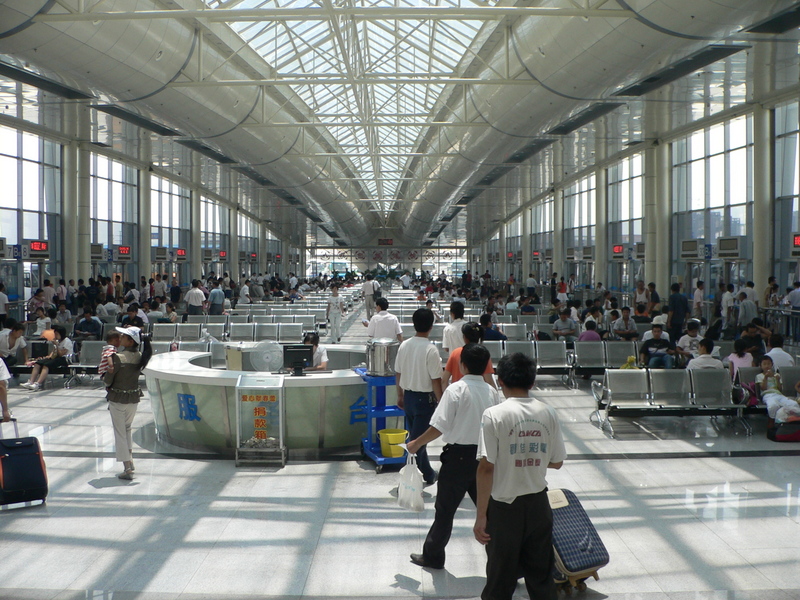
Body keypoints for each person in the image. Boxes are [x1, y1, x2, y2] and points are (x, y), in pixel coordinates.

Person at [473, 352, 566, 600]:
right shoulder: (548, 413)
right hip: (538, 505)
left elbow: (486, 468)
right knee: (541, 577)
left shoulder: (494, 415)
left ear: (500, 380)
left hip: (505, 509)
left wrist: (481, 515)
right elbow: (557, 462)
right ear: (532, 382)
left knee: (500, 579)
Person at [407, 343, 500, 570]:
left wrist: (416, 444)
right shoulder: (492, 392)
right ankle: (503, 563)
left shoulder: (455, 390)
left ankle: (433, 557)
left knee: (445, 511)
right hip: (485, 460)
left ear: (462, 364)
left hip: (457, 458)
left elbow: (439, 426)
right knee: (490, 513)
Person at [394, 308, 443, 486]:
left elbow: (398, 372)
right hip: (425, 401)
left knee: (417, 439)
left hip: (409, 398)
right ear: (431, 326)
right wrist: (441, 401)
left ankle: (428, 474)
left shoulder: (404, 345)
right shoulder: (430, 349)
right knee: (416, 443)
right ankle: (408, 479)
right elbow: (435, 380)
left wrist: (400, 395)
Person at [104, 326, 151, 480]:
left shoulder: (118, 357)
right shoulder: (140, 356)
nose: (120, 338)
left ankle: (127, 467)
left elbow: (108, 380)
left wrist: (106, 375)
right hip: (133, 398)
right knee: (127, 429)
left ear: (130, 341)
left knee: (120, 433)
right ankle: (130, 461)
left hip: (118, 398)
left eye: (123, 336)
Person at [442, 322, 496, 390]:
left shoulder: (455, 353)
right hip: (478, 395)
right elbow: (489, 381)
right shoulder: (483, 354)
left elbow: (444, 380)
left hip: (458, 394)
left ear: (465, 337)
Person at [21, 324, 73, 391]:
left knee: (46, 365)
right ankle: (31, 381)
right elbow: (54, 352)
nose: (55, 336)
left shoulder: (67, 341)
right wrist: (47, 357)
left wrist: (56, 345)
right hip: (57, 357)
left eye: (57, 334)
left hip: (65, 359)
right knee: (38, 363)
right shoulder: (58, 341)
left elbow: (60, 354)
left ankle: (38, 383)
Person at [756, 355, 796, 427]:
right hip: (767, 395)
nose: (767, 366)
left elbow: (780, 389)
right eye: (764, 364)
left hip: (778, 394)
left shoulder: (776, 375)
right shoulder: (759, 376)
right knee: (773, 406)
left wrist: (777, 379)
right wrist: (766, 377)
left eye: (769, 364)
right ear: (760, 366)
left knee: (793, 404)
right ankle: (771, 422)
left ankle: (791, 422)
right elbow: (763, 388)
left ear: (772, 365)